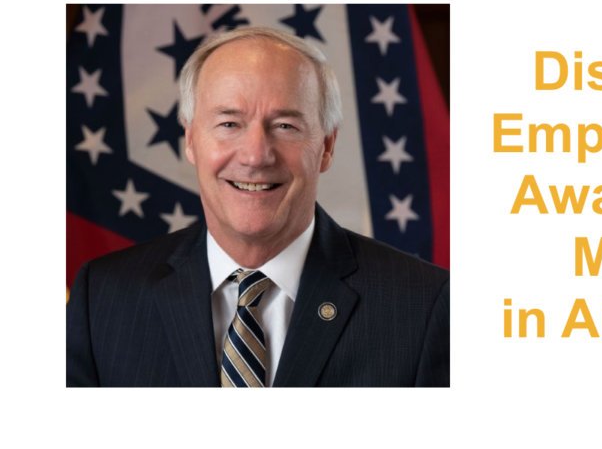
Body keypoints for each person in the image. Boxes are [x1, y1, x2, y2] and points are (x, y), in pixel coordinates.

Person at [66, 27, 450, 387]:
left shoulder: (423, 306)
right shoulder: (102, 298)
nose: (255, 156)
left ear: (327, 146)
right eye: (229, 124)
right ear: (190, 141)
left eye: (285, 126)